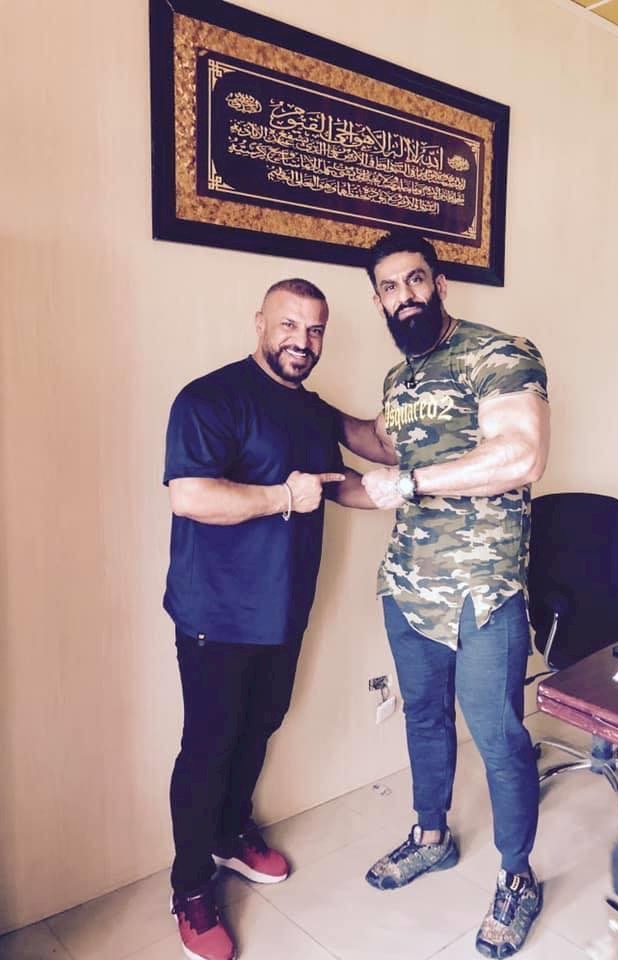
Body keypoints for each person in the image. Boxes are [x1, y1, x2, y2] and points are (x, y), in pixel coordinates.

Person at [338, 230, 550, 958]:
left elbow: (521, 453)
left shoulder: (499, 354)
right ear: (378, 301)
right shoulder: (399, 381)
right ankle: (431, 835)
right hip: (407, 585)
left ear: (439, 284)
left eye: (415, 279)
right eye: (389, 287)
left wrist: (408, 483)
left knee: (499, 737)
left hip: (482, 589)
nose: (404, 296)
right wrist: (315, 420)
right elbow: (386, 446)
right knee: (424, 719)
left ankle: (517, 877)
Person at [162, 277, 374, 960]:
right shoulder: (209, 399)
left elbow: (339, 486)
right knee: (209, 748)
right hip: (217, 616)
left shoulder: (310, 411)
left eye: (314, 330)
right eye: (289, 325)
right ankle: (190, 886)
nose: (301, 341)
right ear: (260, 322)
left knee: (260, 727)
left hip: (283, 612)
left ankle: (230, 833)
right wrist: (283, 498)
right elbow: (192, 496)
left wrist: (411, 490)